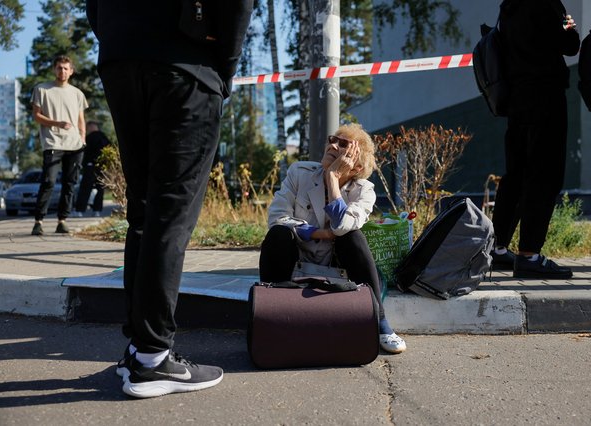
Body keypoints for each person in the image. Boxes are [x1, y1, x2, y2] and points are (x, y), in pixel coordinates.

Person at [86, 0, 253, 398]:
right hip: (186, 63)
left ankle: (139, 348)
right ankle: (153, 358)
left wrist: (122, 34)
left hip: (122, 58)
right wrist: (222, 71)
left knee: (144, 211)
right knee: (169, 215)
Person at [259, 123, 407, 355]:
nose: (332, 145)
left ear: (357, 165)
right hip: (298, 255)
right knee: (278, 235)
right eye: (332, 139)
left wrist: (333, 178)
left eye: (343, 144)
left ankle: (379, 322)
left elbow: (342, 227)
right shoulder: (300, 173)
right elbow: (277, 218)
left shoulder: (364, 190)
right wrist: (317, 233)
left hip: (339, 265)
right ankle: (269, 315)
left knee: (353, 237)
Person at [489, 0, 580, 278]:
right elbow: (570, 44)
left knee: (515, 176)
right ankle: (530, 255)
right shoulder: (547, 4)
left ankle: (497, 248)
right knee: (544, 175)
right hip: (546, 97)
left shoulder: (508, 7)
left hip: (517, 99)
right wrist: (570, 24)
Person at [31, 55, 88, 236]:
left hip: (75, 144)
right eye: (59, 68)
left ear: (71, 71)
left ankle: (62, 220)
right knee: (48, 181)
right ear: (54, 69)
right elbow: (37, 116)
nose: (62, 71)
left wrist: (83, 137)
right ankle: (38, 221)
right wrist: (57, 123)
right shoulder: (42, 90)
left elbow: (81, 119)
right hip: (52, 142)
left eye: (65, 68)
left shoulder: (77, 93)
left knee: (69, 183)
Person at [75, 121, 110, 217]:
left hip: (90, 166)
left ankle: (79, 210)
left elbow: (84, 151)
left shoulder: (90, 138)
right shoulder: (105, 138)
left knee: (85, 188)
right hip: (102, 167)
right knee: (100, 188)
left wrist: (86, 163)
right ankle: (97, 210)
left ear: (92, 126)